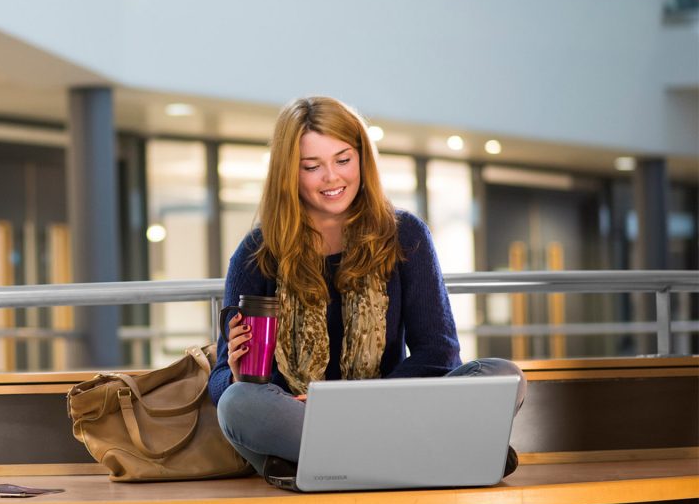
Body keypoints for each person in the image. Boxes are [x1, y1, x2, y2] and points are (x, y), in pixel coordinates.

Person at [210, 96, 526, 483]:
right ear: (288, 173)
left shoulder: (405, 235)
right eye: (312, 166)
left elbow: (438, 353)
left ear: (362, 159)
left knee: (503, 375)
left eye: (343, 160)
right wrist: (239, 378)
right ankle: (440, 456)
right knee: (238, 405)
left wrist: (360, 408)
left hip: (392, 406)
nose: (332, 178)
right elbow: (220, 380)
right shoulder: (256, 252)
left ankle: (323, 466)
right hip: (299, 416)